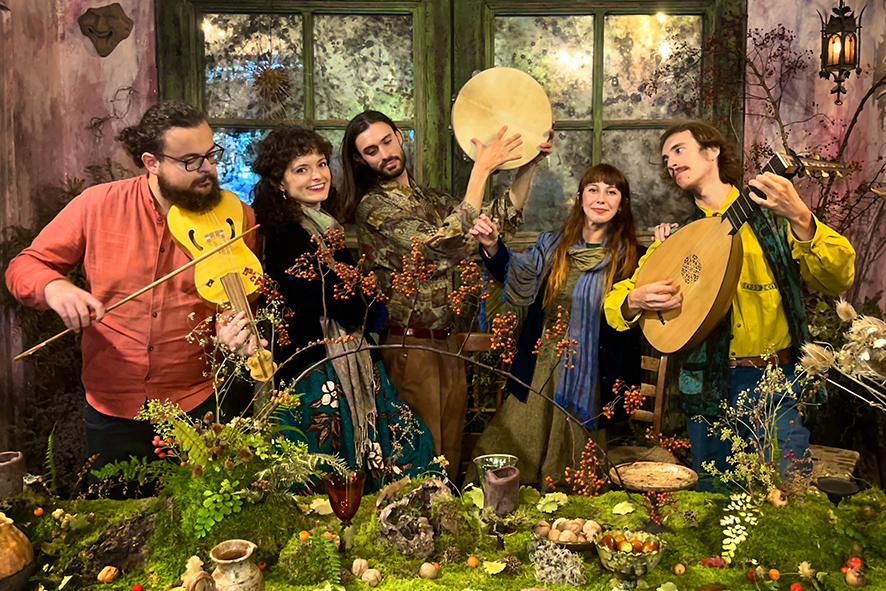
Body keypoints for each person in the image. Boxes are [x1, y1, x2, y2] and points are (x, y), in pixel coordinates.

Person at [6, 100, 257, 472]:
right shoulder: (96, 205)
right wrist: (55, 288)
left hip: (197, 404)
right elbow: (25, 266)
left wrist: (228, 330)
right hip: (112, 409)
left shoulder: (236, 216)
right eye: (191, 161)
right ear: (151, 162)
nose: (208, 169)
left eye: (211, 155)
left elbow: (232, 298)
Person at [603, 120, 856, 491]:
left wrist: (802, 217)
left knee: (789, 493)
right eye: (665, 158)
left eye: (678, 150)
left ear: (712, 151)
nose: (670, 163)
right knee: (715, 499)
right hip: (707, 385)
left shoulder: (774, 219)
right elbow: (615, 303)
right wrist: (633, 299)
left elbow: (838, 278)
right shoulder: (676, 239)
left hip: (774, 381)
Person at [337, 110, 552, 476]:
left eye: (387, 141)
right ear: (360, 159)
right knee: (418, 459)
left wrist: (529, 163)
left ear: (399, 136)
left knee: (449, 457)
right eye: (371, 150)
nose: (384, 154)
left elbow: (493, 219)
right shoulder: (373, 206)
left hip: (450, 343)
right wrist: (481, 170)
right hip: (409, 346)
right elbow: (439, 246)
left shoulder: (430, 199)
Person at [243, 125, 434, 489]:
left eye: (321, 164)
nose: (318, 175)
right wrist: (370, 302)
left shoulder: (323, 225)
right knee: (328, 468)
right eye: (301, 169)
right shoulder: (287, 234)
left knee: (403, 447)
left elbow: (349, 297)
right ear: (280, 182)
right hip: (317, 369)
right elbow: (344, 304)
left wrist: (366, 300)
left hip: (347, 356)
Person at [467, 164, 643, 489]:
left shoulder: (630, 258)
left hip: (591, 372)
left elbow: (628, 318)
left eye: (611, 192)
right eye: (593, 190)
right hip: (541, 361)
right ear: (579, 197)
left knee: (575, 461)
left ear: (622, 204)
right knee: (515, 439)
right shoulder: (551, 247)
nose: (601, 199)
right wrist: (492, 245)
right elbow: (514, 273)